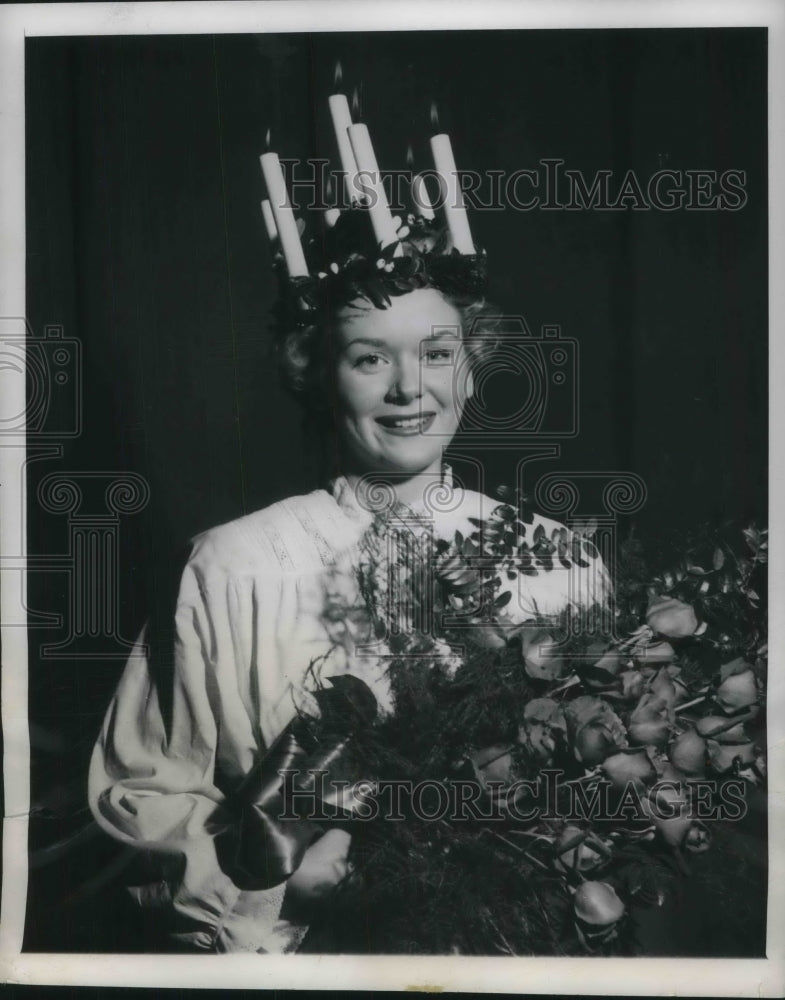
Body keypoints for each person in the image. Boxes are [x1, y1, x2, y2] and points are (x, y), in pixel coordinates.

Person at [88, 213, 610, 954]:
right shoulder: (232, 564)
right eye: (370, 359)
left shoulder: (559, 558)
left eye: (437, 353)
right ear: (317, 371)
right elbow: (145, 787)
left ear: (471, 364)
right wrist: (273, 893)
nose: (409, 389)